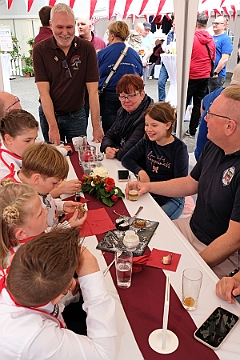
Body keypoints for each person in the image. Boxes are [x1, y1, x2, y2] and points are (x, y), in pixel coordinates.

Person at [126, 86, 240, 278]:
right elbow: (191, 183)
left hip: (222, 253)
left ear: (230, 126)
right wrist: (148, 186)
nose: (205, 118)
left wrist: (194, 264)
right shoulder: (214, 145)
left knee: (175, 281)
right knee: (140, 243)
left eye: (211, 114)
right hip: (191, 228)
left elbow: (233, 239)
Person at [0, 227, 117, 359]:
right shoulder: (32, 337)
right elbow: (104, 355)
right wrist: (91, 275)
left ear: (13, 258)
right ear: (57, 298)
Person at [33, 3, 103, 144]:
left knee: (79, 156)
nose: (65, 32)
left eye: (69, 27)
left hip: (76, 114)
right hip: (49, 115)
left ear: (74, 25)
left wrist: (96, 126)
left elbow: (93, 91)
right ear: (51, 25)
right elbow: (44, 93)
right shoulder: (40, 49)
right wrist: (53, 126)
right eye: (59, 27)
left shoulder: (87, 48)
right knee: (54, 159)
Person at [122, 102, 188, 220]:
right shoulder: (147, 141)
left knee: (151, 221)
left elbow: (180, 185)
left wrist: (150, 187)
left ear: (168, 125)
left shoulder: (179, 149)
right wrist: (141, 171)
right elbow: (127, 158)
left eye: (154, 125)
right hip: (149, 190)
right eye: (146, 124)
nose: (148, 129)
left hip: (172, 197)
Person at [0, 109, 82, 198]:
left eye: (34, 139)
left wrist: (61, 151)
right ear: (8, 139)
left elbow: (41, 153)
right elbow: (27, 200)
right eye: (27, 140)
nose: (33, 144)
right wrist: (60, 189)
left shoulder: (20, 147)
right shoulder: (4, 171)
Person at [13, 142, 85, 228]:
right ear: (36, 179)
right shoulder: (21, 203)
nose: (57, 186)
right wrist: (67, 226)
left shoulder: (37, 185)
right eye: (54, 183)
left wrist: (60, 206)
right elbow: (38, 234)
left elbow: (46, 201)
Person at [97, 21, 143, 133]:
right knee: (129, 126)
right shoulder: (134, 54)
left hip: (109, 95)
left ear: (112, 35)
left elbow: (94, 75)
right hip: (131, 95)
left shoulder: (102, 53)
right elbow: (140, 74)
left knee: (110, 129)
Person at [100, 74, 153, 160]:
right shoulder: (122, 111)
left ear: (142, 94)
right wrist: (107, 147)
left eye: (131, 96)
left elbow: (128, 152)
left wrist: (115, 150)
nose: (126, 100)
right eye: (122, 96)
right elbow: (109, 135)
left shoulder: (149, 117)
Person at [195, 63, 240, 160]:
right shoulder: (233, 101)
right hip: (216, 156)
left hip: (204, 152)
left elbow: (203, 104)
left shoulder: (218, 93)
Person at [185, 12, 216, 138]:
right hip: (204, 75)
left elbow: (185, 58)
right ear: (206, 24)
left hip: (191, 75)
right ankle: (192, 130)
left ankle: (175, 128)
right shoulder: (210, 40)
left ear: (194, 23)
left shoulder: (191, 38)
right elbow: (213, 57)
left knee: (184, 102)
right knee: (198, 103)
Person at [77, 16, 106, 127]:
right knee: (81, 119)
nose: (80, 27)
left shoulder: (100, 42)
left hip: (97, 86)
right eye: (78, 24)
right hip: (80, 88)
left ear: (90, 26)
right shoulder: (74, 43)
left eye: (83, 24)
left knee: (100, 116)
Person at [208, 16, 233, 93]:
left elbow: (224, 58)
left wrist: (215, 72)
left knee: (213, 98)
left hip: (217, 75)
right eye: (214, 23)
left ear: (224, 26)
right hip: (207, 74)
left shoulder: (225, 39)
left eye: (217, 23)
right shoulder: (210, 38)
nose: (215, 25)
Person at [158, 22, 176, 102]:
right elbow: (164, 47)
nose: (173, 26)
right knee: (160, 82)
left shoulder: (184, 35)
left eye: (175, 24)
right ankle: (162, 101)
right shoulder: (170, 34)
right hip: (166, 62)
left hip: (177, 63)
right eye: (173, 24)